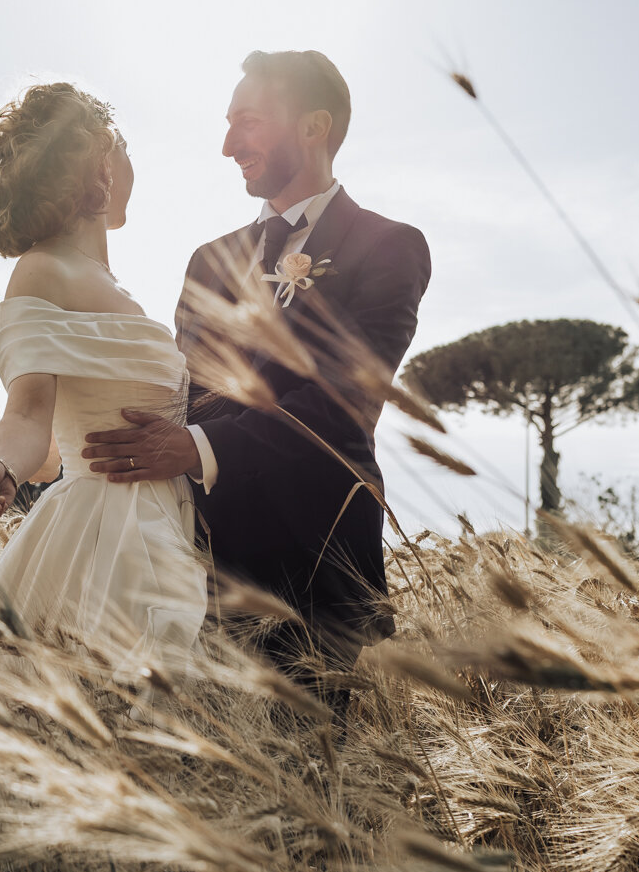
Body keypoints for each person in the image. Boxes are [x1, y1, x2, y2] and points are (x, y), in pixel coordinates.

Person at [80, 50, 431, 724]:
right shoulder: (208, 261)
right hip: (195, 563)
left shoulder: (388, 247)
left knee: (308, 795)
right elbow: (178, 393)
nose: (228, 145)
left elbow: (343, 403)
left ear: (312, 127)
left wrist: (195, 448)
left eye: (247, 122)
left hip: (314, 571)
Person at [0, 83, 208, 696]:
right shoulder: (41, 269)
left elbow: (54, 443)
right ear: (103, 162)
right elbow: (30, 415)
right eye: (123, 148)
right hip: (110, 530)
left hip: (167, 518)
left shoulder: (110, 284)